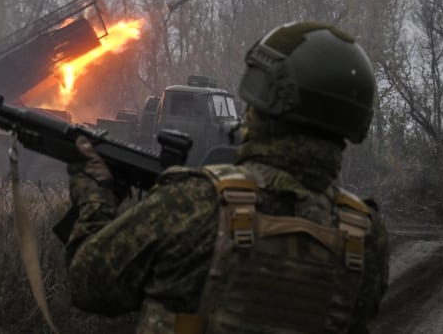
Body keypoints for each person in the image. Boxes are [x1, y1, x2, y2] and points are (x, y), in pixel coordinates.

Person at [62, 21, 390, 333]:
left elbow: (90, 284)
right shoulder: (364, 235)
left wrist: (96, 195)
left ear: (263, 102)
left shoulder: (195, 204)